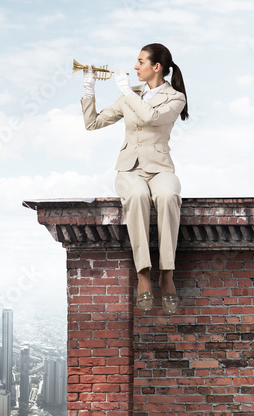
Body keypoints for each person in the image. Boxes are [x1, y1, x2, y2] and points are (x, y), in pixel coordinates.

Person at [80, 43, 189, 314]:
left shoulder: (175, 98)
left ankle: (166, 274)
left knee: (168, 196)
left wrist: (128, 92)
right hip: (130, 168)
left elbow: (151, 118)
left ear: (157, 67)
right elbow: (92, 123)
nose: (135, 67)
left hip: (161, 167)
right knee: (138, 196)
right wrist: (89, 88)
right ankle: (143, 273)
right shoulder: (132, 95)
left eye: (140, 62)